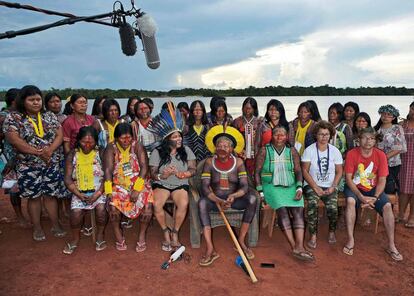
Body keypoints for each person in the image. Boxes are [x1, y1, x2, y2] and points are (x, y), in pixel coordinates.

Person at [3, 85, 66, 241]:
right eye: (31, 100)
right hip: (28, 165)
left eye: (38, 99)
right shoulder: (14, 117)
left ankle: (55, 224)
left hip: (50, 162)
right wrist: (37, 152)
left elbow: (60, 134)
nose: (36, 103)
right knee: (34, 197)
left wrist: (49, 150)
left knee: (51, 195)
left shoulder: (49, 115)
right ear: (23, 101)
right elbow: (14, 139)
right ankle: (37, 228)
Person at [199, 125, 258, 266]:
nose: (222, 148)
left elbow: (244, 186)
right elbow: (205, 187)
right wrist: (218, 200)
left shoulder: (238, 163)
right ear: (214, 148)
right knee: (201, 203)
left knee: (252, 198)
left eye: (226, 146)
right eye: (219, 145)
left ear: (232, 149)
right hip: (215, 201)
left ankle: (241, 242)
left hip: (234, 200)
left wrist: (234, 196)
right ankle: (210, 249)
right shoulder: (209, 162)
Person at [343, 127, 403, 261]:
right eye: (365, 137)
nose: (368, 141)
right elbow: (348, 178)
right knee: (351, 202)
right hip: (355, 188)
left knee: (387, 206)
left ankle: (391, 245)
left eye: (371, 138)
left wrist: (375, 198)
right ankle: (351, 240)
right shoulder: (352, 154)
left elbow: (382, 180)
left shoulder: (380, 155)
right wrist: (361, 197)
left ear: (375, 140)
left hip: (373, 189)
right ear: (359, 140)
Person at [255, 126, 313, 261]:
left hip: (291, 185)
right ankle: (294, 246)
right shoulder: (264, 150)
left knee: (298, 210)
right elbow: (257, 172)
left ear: (287, 136)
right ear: (272, 136)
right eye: (276, 134)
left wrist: (299, 188)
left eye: (282, 135)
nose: (279, 137)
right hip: (271, 186)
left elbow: (298, 171)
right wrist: (261, 192)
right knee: (282, 210)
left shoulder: (292, 151)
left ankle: (300, 246)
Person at [148, 102, 196, 251]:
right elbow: (153, 175)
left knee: (183, 203)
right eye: (175, 137)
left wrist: (185, 174)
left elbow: (193, 168)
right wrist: (164, 175)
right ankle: (165, 232)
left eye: (180, 136)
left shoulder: (186, 150)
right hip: (162, 184)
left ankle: (175, 232)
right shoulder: (157, 152)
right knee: (156, 204)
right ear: (168, 139)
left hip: (180, 184)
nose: (179, 139)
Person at [104, 123, 153, 251]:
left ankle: (142, 235)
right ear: (115, 138)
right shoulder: (111, 148)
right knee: (112, 206)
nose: (126, 141)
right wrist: (108, 191)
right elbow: (108, 170)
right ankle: (118, 234)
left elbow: (144, 167)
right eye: (122, 138)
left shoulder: (137, 145)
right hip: (118, 184)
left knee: (147, 207)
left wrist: (137, 189)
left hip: (139, 181)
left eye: (129, 138)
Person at [63, 127, 107, 254]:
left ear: (96, 142)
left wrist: (98, 193)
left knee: (101, 210)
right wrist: (79, 195)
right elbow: (67, 179)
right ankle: (75, 239)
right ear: (78, 141)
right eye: (83, 142)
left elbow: (108, 176)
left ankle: (100, 235)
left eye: (91, 142)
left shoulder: (101, 153)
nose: (87, 145)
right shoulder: (73, 154)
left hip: (100, 190)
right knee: (76, 213)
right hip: (78, 191)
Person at [301, 120, 343, 249]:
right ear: (316, 135)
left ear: (330, 135)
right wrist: (315, 187)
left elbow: (339, 171)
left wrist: (333, 186)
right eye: (321, 134)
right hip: (312, 184)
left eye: (326, 134)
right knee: (312, 204)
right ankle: (313, 235)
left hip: (330, 185)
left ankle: (331, 231)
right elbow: (304, 171)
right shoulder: (309, 150)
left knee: (333, 208)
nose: (324, 137)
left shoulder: (335, 151)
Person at [0, 88, 30, 228]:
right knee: (14, 187)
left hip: (25, 155)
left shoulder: (23, 114)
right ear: (14, 101)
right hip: (11, 157)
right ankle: (19, 216)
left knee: (28, 185)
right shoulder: (4, 116)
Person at [375, 105, 407, 194]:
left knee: (390, 187)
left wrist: (383, 158)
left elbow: (399, 147)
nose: (385, 117)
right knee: (379, 186)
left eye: (388, 114)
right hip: (378, 163)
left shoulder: (397, 128)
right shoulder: (377, 129)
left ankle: (390, 207)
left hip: (393, 163)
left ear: (393, 117)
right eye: (383, 114)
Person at [232, 97, 261, 176]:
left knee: (254, 174)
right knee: (242, 175)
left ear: (254, 109)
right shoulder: (237, 121)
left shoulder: (259, 121)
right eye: (245, 108)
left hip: (255, 154)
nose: (247, 110)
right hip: (241, 154)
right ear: (242, 108)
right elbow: (233, 139)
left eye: (250, 108)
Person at [398, 101, 414, 227]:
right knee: (403, 189)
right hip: (405, 160)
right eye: (412, 109)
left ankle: (412, 217)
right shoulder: (403, 125)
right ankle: (401, 214)